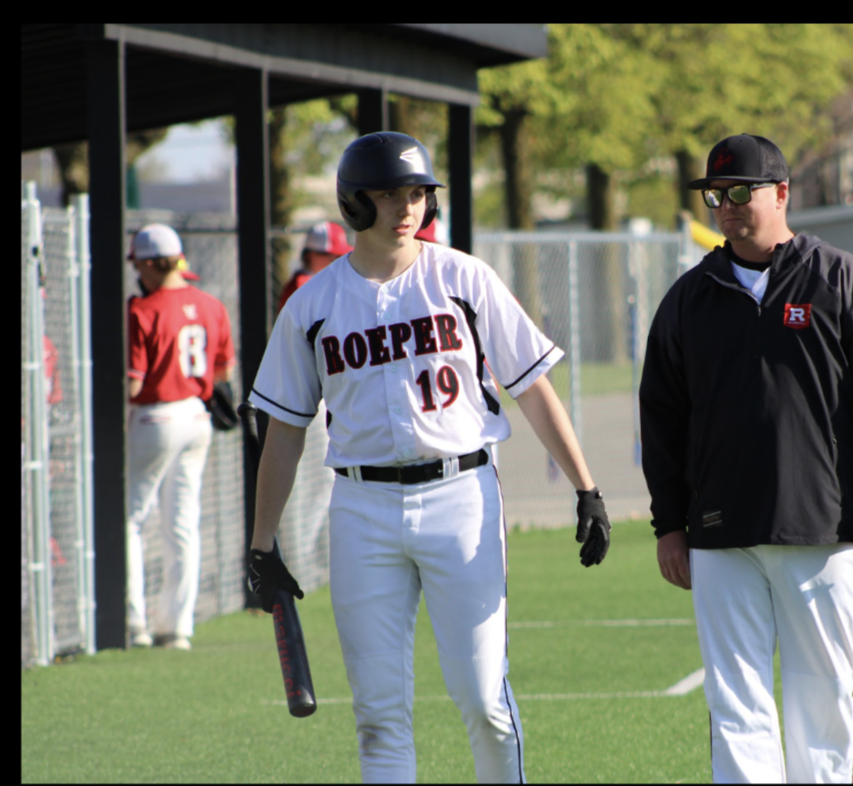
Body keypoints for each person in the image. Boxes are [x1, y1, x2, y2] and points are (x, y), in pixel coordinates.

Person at [245, 131, 611, 783]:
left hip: (461, 495)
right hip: (361, 507)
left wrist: (587, 487)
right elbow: (286, 430)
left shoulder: (463, 277)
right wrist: (262, 545)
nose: (407, 207)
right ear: (355, 204)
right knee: (379, 717)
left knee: (483, 699)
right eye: (389, 194)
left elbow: (530, 386)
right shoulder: (312, 305)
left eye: (417, 192)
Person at [639, 134, 853, 783]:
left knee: (823, 701)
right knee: (735, 704)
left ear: (782, 193)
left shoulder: (839, 279)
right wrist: (669, 524)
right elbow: (661, 419)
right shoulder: (688, 297)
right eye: (716, 195)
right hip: (718, 535)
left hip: (823, 530)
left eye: (742, 192)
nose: (727, 206)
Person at [125, 224, 235, 651]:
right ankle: (178, 628)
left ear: (152, 263)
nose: (137, 271)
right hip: (196, 415)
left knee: (131, 521)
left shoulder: (143, 309)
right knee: (182, 524)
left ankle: (135, 622)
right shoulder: (210, 304)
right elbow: (223, 371)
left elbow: (134, 385)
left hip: (155, 416)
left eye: (138, 263)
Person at [277, 221, 354, 312]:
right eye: (335, 257)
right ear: (312, 255)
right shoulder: (302, 285)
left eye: (341, 257)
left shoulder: (319, 280)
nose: (338, 262)